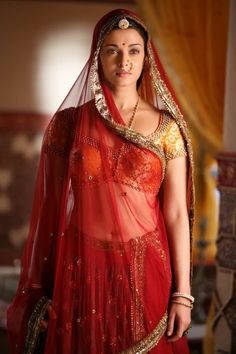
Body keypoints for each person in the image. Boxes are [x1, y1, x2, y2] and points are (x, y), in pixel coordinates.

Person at [7, 8, 195, 354]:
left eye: (134, 50)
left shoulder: (167, 131)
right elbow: (48, 212)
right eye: (113, 49)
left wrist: (182, 293)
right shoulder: (68, 125)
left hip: (145, 271)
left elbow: (177, 216)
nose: (124, 60)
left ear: (146, 57)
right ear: (97, 57)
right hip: (82, 268)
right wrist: (40, 290)